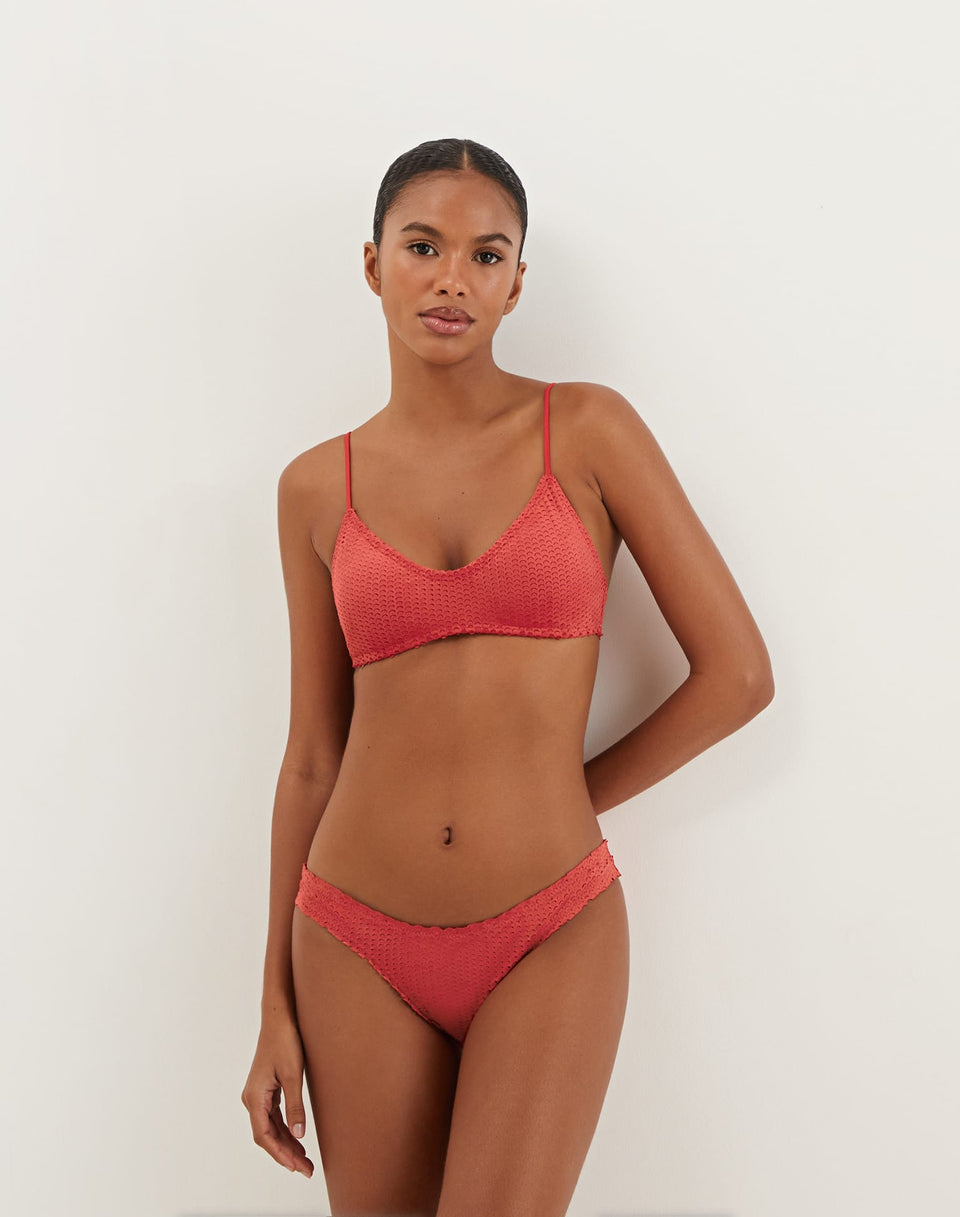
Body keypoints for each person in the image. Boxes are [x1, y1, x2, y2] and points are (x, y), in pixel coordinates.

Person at [241, 137, 775, 1216]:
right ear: (372, 263)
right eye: (422, 246)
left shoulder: (588, 430)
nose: (453, 278)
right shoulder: (313, 488)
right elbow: (311, 758)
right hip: (350, 933)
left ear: (517, 282)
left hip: (548, 923)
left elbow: (738, 674)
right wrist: (272, 1002)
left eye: (486, 255)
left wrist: (567, 797)